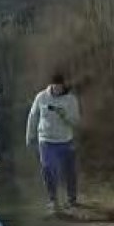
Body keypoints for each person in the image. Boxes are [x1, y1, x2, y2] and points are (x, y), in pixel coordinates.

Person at [26, 72, 80, 213]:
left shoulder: (71, 100)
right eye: (55, 87)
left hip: (65, 140)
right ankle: (53, 200)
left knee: (69, 171)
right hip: (46, 140)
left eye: (60, 87)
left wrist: (65, 116)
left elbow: (76, 121)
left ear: (64, 86)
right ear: (51, 85)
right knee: (48, 168)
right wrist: (30, 135)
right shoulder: (41, 97)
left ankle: (71, 198)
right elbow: (33, 116)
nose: (57, 90)